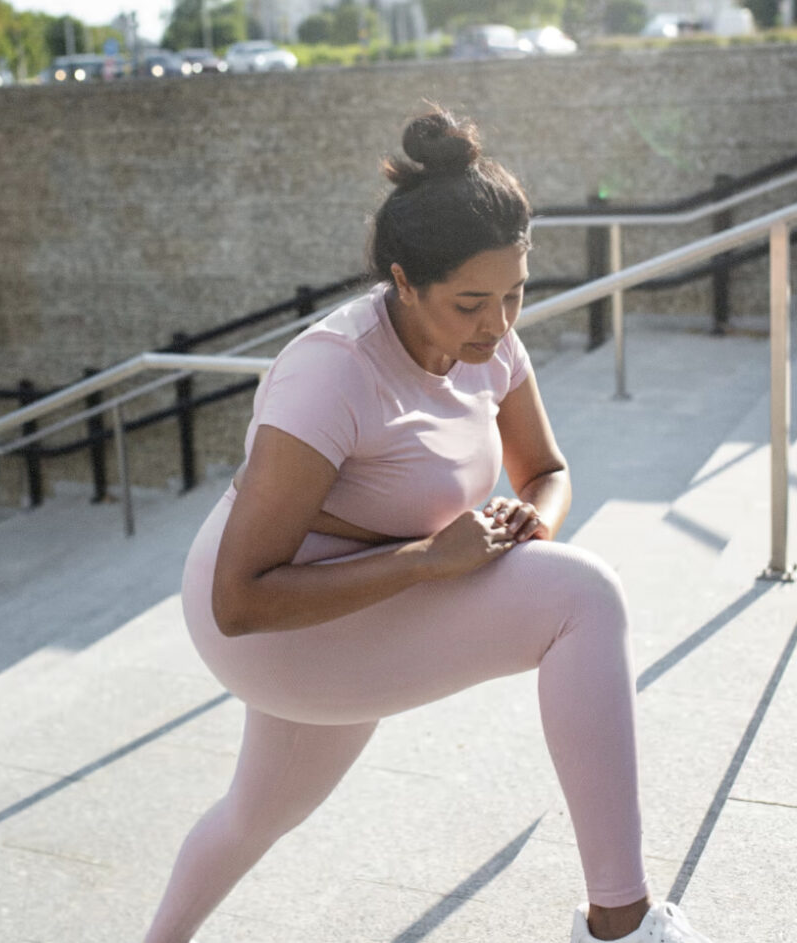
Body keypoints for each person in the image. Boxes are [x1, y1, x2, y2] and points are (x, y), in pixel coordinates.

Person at [143, 106, 713, 943]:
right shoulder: (331, 374)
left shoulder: (492, 345)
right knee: (585, 596)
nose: (499, 323)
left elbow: (547, 472)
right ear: (403, 282)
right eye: (472, 302)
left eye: (516, 294)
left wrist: (530, 523)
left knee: (256, 814)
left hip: (380, 595)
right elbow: (240, 597)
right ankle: (624, 926)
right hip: (275, 626)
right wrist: (426, 560)